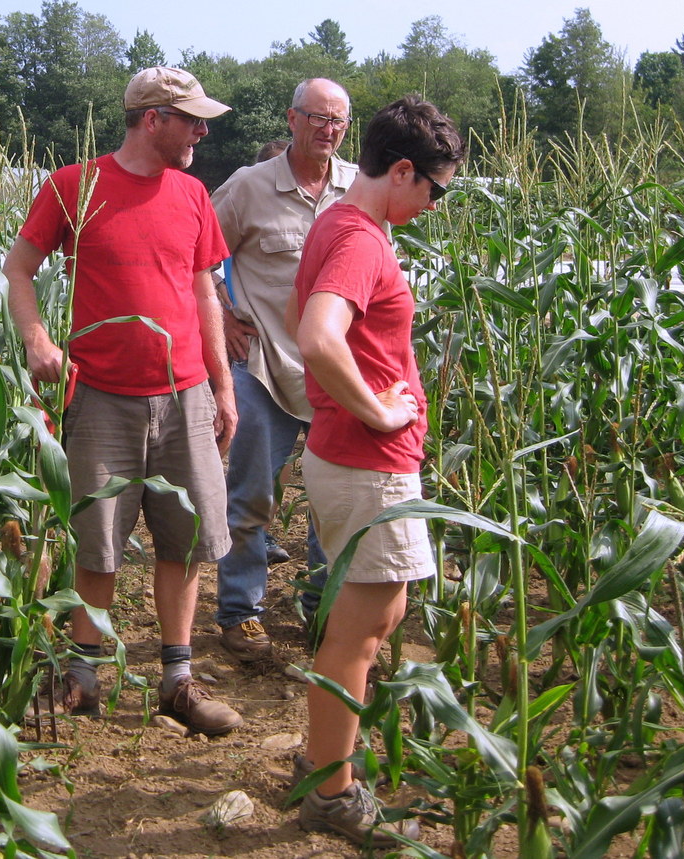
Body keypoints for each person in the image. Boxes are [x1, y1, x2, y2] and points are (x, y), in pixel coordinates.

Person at [3, 66, 242, 736]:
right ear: (152, 119)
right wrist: (36, 338)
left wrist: (222, 386)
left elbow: (204, 295)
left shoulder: (194, 195)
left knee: (183, 541)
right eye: (191, 119)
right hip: (101, 397)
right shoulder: (74, 186)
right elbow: (19, 268)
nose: (201, 130)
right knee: (97, 544)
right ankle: (83, 675)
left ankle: (178, 678)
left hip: (185, 395)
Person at [289, 95, 464, 845]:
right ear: (402, 171)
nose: (435, 202)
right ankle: (331, 792)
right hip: (366, 464)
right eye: (436, 188)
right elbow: (319, 336)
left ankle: (325, 753)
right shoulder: (362, 240)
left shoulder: (336, 221)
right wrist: (381, 411)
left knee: (373, 615)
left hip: (353, 461)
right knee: (359, 632)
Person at [209, 79, 357, 661]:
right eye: (317, 117)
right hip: (263, 365)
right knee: (249, 496)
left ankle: (325, 610)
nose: (327, 129)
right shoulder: (248, 187)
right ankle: (240, 614)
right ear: (292, 119)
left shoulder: (357, 191)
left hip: (334, 371)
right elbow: (199, 259)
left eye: (338, 121)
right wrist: (221, 317)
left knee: (335, 498)